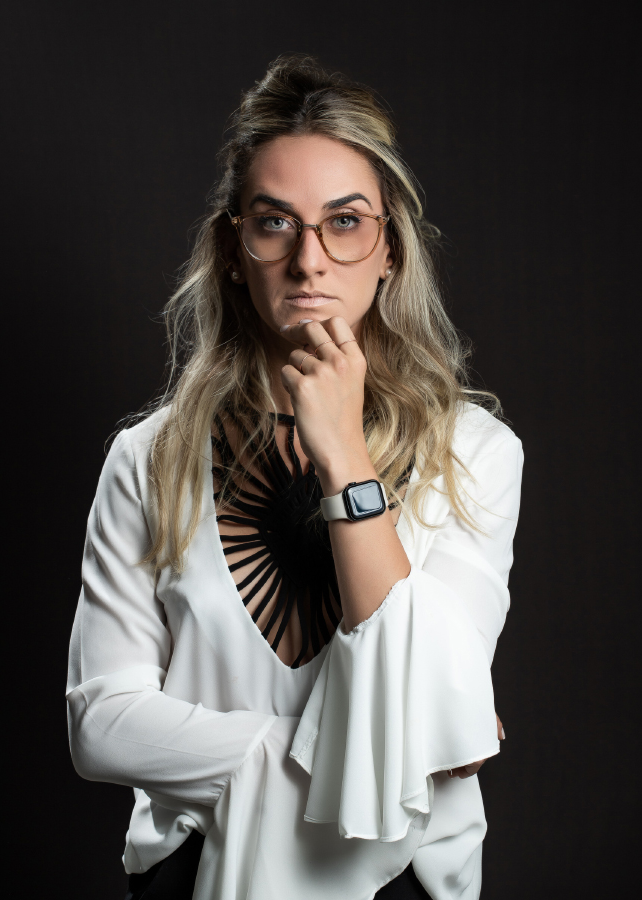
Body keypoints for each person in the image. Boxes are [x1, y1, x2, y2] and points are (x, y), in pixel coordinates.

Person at [66, 55, 523, 900]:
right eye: (276, 223)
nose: (310, 260)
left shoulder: (474, 452)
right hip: (195, 870)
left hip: (406, 876)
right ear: (233, 250)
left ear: (388, 250)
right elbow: (101, 725)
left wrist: (343, 454)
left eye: (345, 222)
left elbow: (433, 709)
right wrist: (370, 747)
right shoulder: (150, 459)